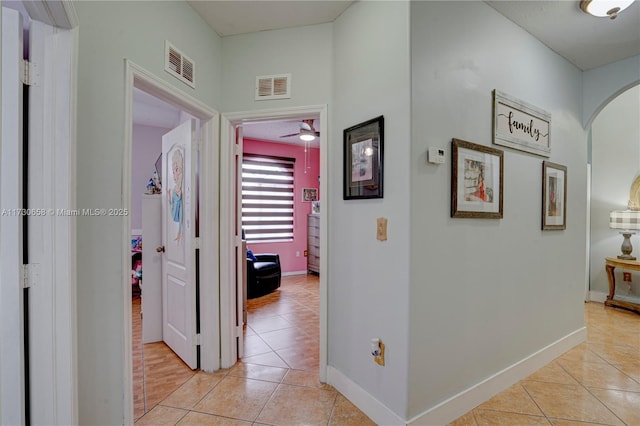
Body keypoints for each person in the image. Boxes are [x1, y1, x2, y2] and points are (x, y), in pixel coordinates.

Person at [167, 148, 184, 243]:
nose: (174, 177)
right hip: (175, 199)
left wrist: (179, 233)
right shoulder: (175, 191)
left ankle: (179, 234)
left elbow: (179, 217)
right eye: (173, 172)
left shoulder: (177, 192)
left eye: (176, 171)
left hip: (177, 201)